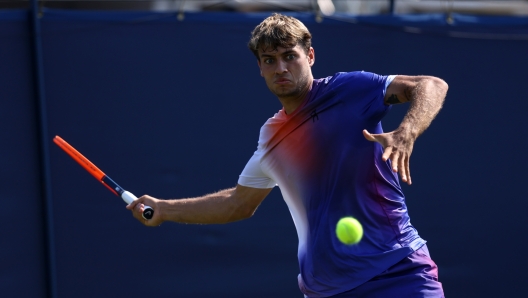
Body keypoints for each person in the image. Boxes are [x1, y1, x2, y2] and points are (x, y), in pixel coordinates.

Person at [127, 13, 448, 297]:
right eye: (269, 60)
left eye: (289, 56)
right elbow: (238, 202)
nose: (280, 68)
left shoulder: (351, 90)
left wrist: (407, 132)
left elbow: (431, 85)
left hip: (401, 273)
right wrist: (164, 209)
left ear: (309, 56)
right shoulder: (272, 136)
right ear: (260, 69)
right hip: (328, 289)